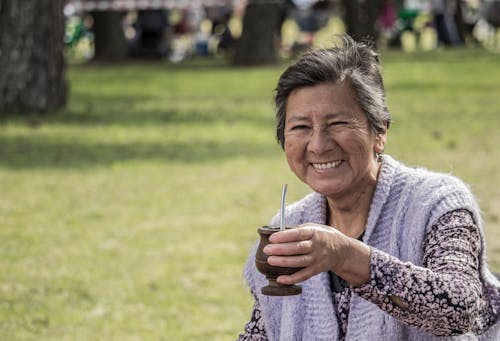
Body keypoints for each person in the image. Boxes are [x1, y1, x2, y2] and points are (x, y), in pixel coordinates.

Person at [238, 34, 500, 340]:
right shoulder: (286, 230)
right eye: (300, 127)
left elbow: (460, 310)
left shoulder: (437, 204)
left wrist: (344, 255)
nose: (319, 145)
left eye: (338, 124)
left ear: (379, 132)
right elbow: (261, 332)